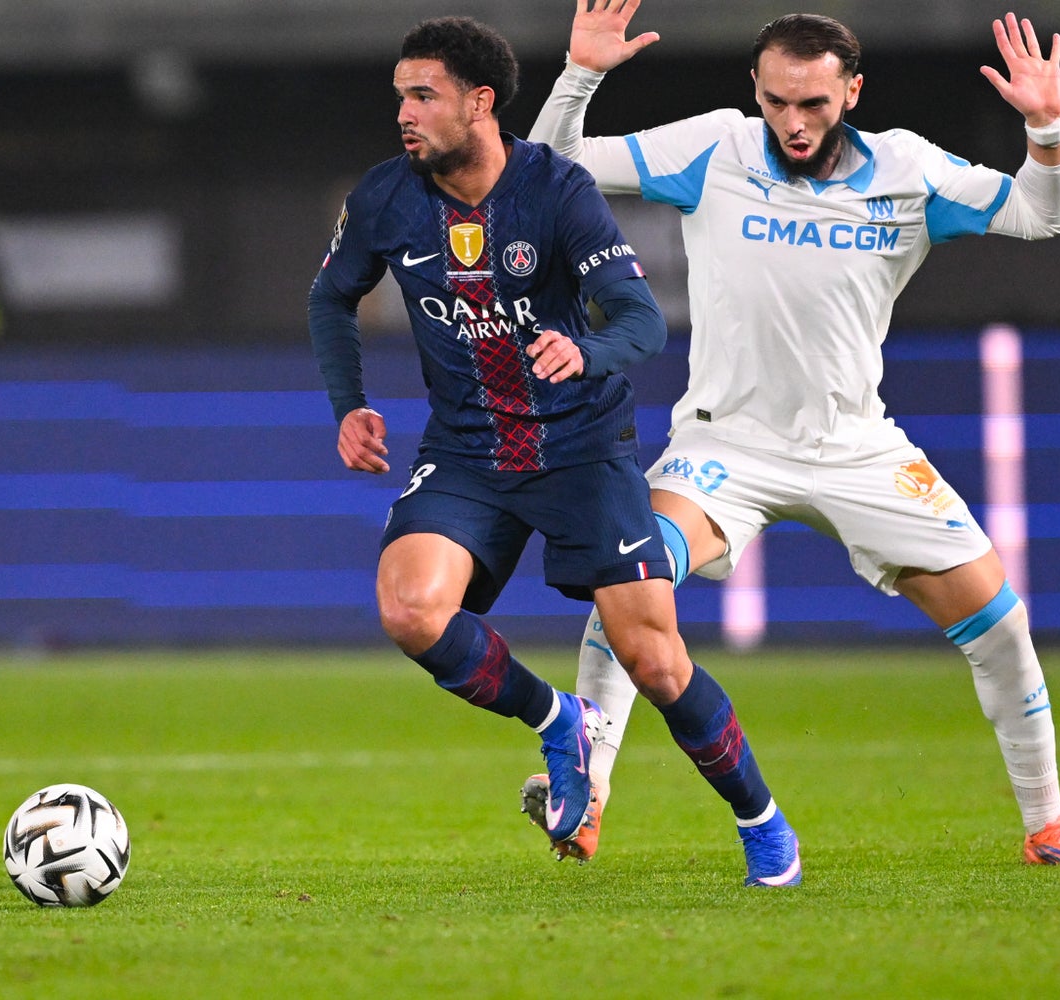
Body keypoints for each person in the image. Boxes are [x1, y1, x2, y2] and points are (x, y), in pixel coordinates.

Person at [525, 2, 1060, 866]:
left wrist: (1046, 126)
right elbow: (552, 164)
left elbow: (1041, 215)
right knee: (632, 577)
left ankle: (1048, 825)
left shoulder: (909, 171)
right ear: (757, 94)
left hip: (858, 450)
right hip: (725, 446)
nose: (793, 123)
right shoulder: (716, 148)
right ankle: (588, 798)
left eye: (812, 103)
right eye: (777, 102)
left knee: (999, 625)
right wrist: (581, 76)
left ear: (853, 91)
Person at [308, 16, 802, 886]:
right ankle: (557, 719)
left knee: (653, 658)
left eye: (423, 95)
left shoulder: (557, 190)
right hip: (468, 451)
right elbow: (330, 299)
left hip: (581, 447)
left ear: (480, 103)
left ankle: (761, 820)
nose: (406, 114)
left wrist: (587, 350)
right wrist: (349, 407)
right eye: (400, 96)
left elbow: (642, 321)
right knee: (410, 609)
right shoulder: (386, 198)